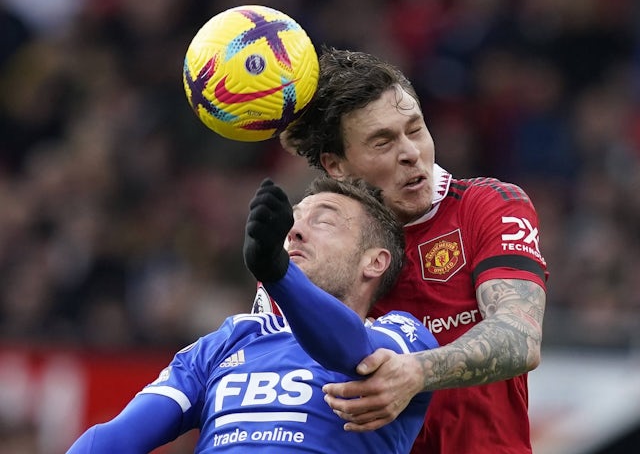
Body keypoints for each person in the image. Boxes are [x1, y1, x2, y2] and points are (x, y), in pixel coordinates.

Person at [271, 46, 549, 453]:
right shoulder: (306, 244)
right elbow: (278, 372)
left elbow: (519, 337)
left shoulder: (488, 206)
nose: (411, 153)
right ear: (336, 166)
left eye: (415, 129)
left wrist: (416, 372)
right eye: (382, 142)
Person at [66, 176, 439, 453]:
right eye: (292, 220)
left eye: (323, 221)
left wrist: (278, 273)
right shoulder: (227, 341)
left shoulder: (404, 335)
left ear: (374, 262)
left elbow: (354, 352)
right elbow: (116, 437)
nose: (294, 232)